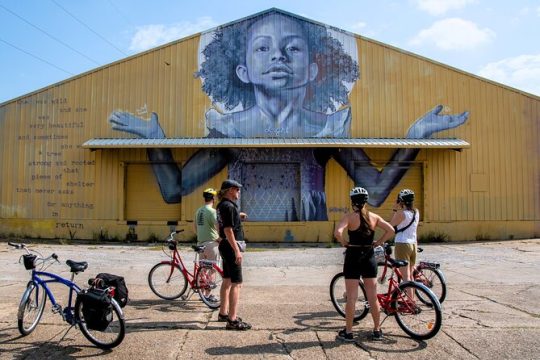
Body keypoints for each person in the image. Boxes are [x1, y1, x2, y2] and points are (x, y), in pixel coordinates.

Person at [107, 10, 469, 220]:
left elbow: (373, 192)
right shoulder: (228, 130)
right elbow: (174, 190)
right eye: (262, 48)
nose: (278, 56)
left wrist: (415, 135)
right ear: (243, 70)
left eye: (292, 48)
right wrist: (153, 138)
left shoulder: (328, 128)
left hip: (311, 222)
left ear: (312, 70)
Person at [334, 187, 395, 342]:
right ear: (366, 201)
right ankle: (377, 330)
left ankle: (348, 332)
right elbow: (391, 230)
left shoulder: (348, 217)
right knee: (372, 297)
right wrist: (379, 242)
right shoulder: (374, 217)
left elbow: (337, 233)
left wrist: (344, 243)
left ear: (352, 201)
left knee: (352, 298)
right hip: (369, 257)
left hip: (353, 258)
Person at [215, 179, 251, 330]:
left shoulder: (221, 205)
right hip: (231, 247)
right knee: (236, 283)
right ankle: (232, 320)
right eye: (237, 189)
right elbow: (228, 230)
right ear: (230, 190)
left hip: (224, 245)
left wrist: (238, 216)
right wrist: (237, 250)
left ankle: (223, 313)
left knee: (227, 280)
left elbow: (220, 225)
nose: (239, 192)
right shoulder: (228, 206)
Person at [390, 189, 419, 289]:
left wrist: (395, 209)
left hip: (402, 244)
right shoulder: (416, 212)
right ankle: (412, 299)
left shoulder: (401, 214)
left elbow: (391, 225)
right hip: (413, 244)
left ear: (401, 201)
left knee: (406, 277)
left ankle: (410, 302)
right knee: (411, 276)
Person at [194, 188, 220, 262]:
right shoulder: (212, 211)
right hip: (211, 243)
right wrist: (220, 238)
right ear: (213, 198)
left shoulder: (198, 211)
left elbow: (195, 226)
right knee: (213, 269)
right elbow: (218, 225)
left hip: (200, 243)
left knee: (202, 270)